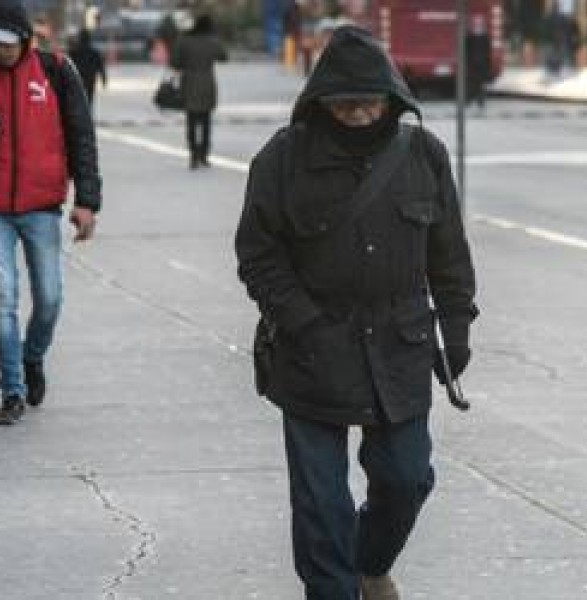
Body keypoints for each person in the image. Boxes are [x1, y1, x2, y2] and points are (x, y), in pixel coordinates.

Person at [235, 26, 477, 600]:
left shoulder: (424, 155)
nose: (361, 114)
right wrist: (302, 320)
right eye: (347, 104)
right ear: (322, 101)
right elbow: (257, 254)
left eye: (371, 102)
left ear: (392, 97)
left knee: (405, 478)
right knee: (321, 505)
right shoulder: (282, 158)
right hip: (312, 351)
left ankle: (369, 563)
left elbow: (448, 252)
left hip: (400, 346)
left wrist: (457, 326)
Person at [0, 0, 101, 426]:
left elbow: (82, 136)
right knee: (3, 296)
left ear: (26, 40)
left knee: (49, 297)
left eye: (7, 44)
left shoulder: (58, 70)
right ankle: (11, 390)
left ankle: (32, 357)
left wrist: (87, 200)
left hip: (43, 204)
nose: (0, 51)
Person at [170, 14, 227, 169]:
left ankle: (193, 154)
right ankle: (204, 154)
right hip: (207, 83)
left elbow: (175, 62)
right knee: (206, 120)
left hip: (189, 83)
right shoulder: (212, 41)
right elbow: (223, 56)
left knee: (191, 120)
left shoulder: (184, 40)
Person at [68, 29, 107, 108]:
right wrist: (104, 78)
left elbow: (68, 66)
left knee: (78, 99)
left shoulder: (74, 52)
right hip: (90, 79)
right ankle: (88, 115)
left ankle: (80, 116)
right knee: (89, 98)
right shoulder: (94, 52)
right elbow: (100, 66)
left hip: (77, 79)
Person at [465, 14, 492, 111]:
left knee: (480, 84)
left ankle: (480, 101)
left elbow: (488, 51)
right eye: (476, 23)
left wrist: (488, 65)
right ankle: (469, 100)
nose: (478, 25)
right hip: (473, 64)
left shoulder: (485, 36)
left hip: (482, 64)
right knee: (472, 83)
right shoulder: (470, 36)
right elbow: (467, 51)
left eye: (479, 23)